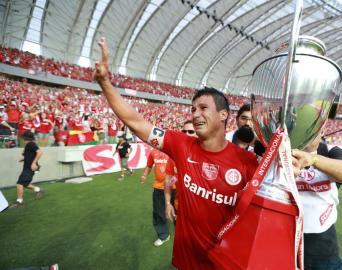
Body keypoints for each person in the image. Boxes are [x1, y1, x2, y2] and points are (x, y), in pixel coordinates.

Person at [94, 37, 259, 269]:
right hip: (185, 261)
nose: (195, 114)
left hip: (224, 263)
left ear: (223, 115)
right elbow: (136, 122)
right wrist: (105, 83)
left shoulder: (248, 162)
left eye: (203, 108)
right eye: (193, 109)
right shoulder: (181, 144)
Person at [293, 133, 342, 270]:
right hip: (283, 241)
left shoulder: (331, 151)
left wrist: (313, 159)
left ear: (322, 129)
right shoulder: (283, 150)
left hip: (322, 247)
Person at [165, 120, 198, 223]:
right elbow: (168, 183)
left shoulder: (208, 156)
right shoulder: (173, 158)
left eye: (191, 131)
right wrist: (168, 203)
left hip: (200, 213)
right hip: (179, 209)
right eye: (184, 131)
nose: (186, 134)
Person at [141, 149, 171, 246]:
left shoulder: (173, 150)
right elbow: (149, 166)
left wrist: (171, 183)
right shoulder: (153, 152)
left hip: (173, 186)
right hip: (158, 187)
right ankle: (164, 235)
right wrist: (144, 175)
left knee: (179, 210)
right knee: (158, 212)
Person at [10, 131, 44, 208]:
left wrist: (33, 163)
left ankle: (19, 202)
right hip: (28, 167)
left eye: (24, 137)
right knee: (25, 183)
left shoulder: (30, 144)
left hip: (30, 168)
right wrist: (23, 159)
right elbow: (30, 155)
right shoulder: (29, 145)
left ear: (26, 138)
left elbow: (40, 152)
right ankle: (38, 190)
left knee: (20, 183)